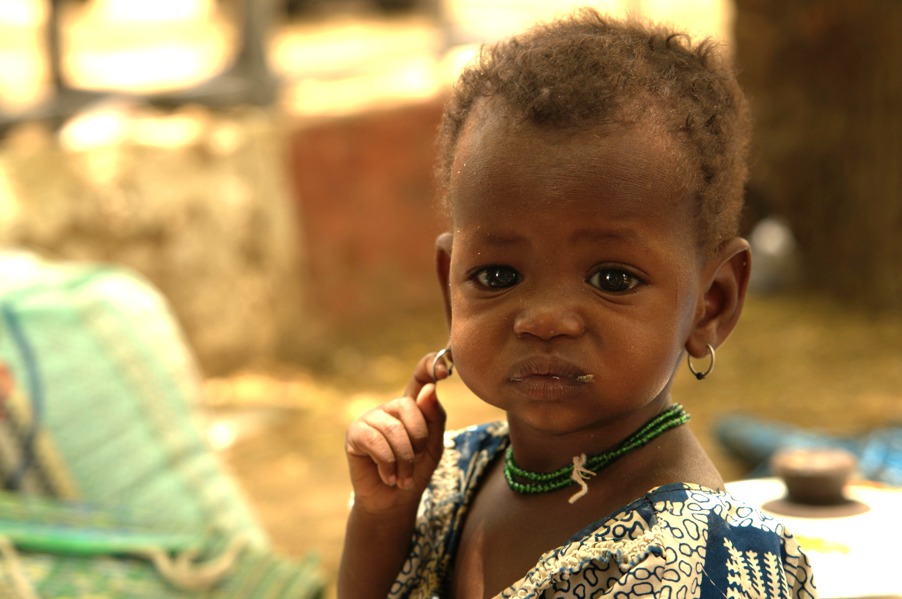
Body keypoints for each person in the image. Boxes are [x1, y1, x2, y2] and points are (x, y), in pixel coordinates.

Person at [339, 8, 818, 599]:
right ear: (449, 286)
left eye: (612, 278)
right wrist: (383, 515)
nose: (544, 320)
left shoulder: (701, 562)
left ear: (711, 304)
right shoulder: (451, 478)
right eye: (497, 274)